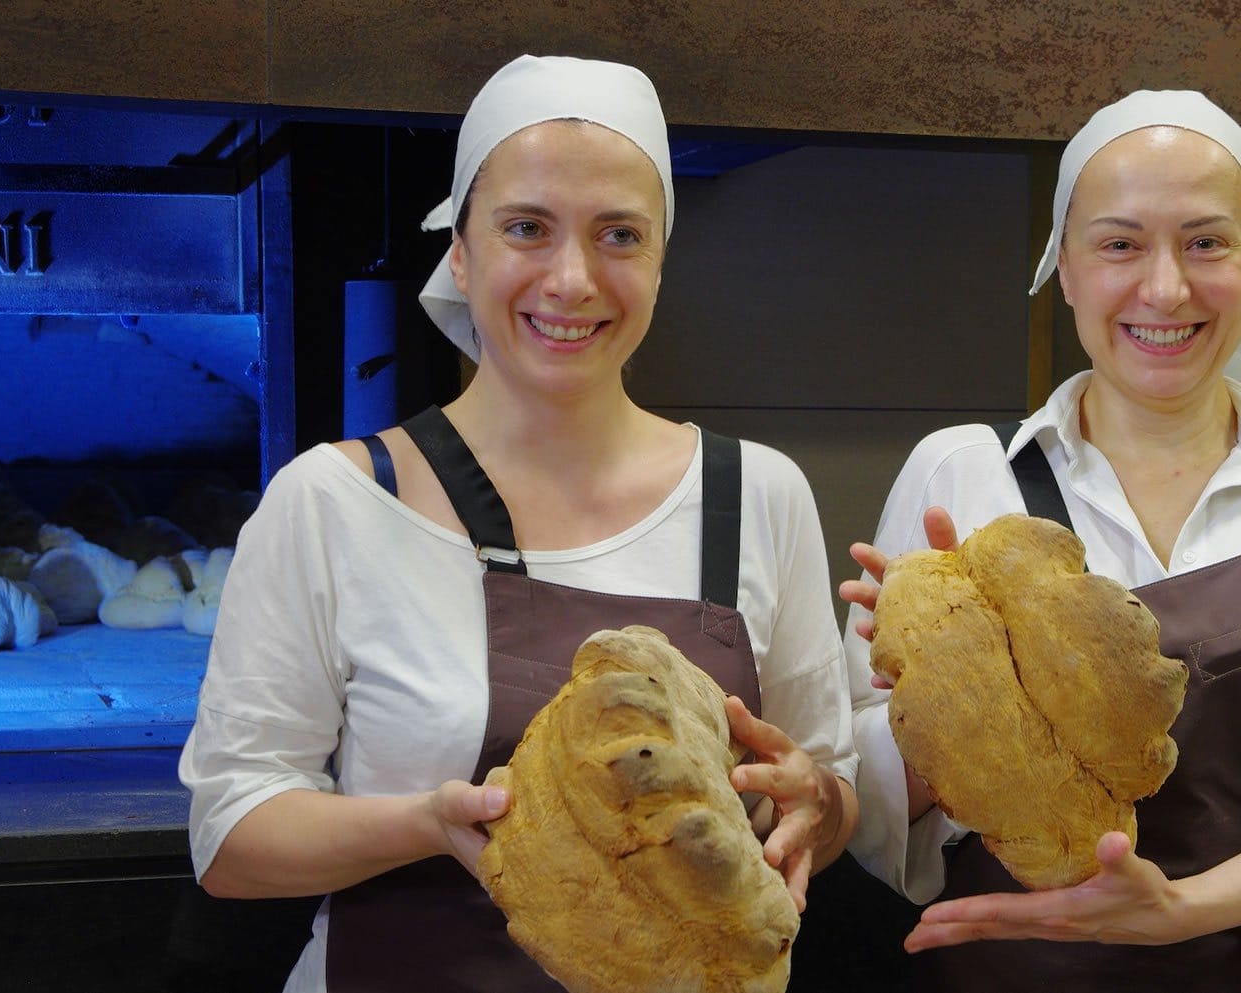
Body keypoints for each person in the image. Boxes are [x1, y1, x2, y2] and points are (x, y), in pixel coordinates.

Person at [178, 54, 858, 993]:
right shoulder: (332, 501)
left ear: (661, 259)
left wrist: (818, 802)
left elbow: (828, 790)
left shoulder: (760, 495)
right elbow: (229, 837)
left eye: (619, 234)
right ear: (460, 251)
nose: (572, 279)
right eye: (527, 227)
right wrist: (425, 822)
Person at [839, 89, 1241, 993]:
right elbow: (863, 793)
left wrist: (1182, 909)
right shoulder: (962, 474)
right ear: (1064, 268)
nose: (1166, 288)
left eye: (1206, 242)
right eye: (1120, 244)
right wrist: (947, 713)